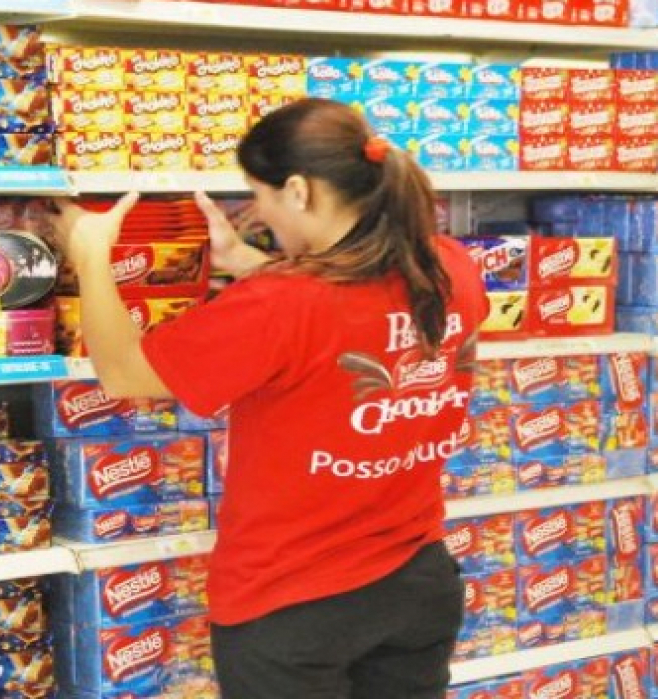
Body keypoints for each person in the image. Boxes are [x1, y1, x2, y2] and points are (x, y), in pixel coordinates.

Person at [48, 97, 489, 699]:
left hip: (294, 604)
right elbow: (345, 318)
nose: (259, 212)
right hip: (417, 586)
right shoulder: (448, 267)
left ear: (300, 191)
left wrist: (91, 255)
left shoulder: (282, 303)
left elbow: (125, 373)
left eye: (261, 195)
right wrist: (247, 262)